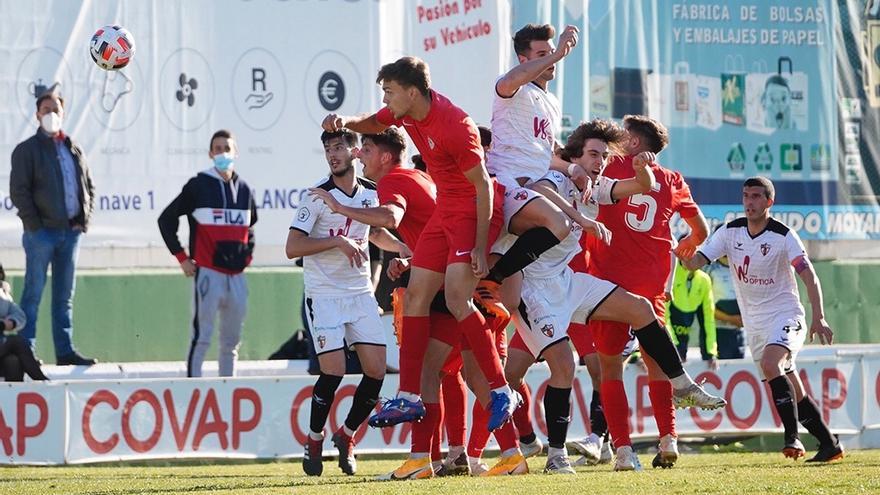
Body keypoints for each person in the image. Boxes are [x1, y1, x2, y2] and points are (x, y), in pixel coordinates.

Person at [321, 57, 518, 444]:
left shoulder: (457, 127)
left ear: (412, 92)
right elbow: (374, 122)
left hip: (471, 212)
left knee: (459, 301)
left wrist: (480, 245)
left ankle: (500, 390)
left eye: (389, 92)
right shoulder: (406, 112)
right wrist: (345, 120)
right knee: (415, 294)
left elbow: (482, 189)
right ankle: (409, 396)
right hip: (446, 210)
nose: (386, 99)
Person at [583, 114, 721, 471]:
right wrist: (688, 244)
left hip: (608, 281)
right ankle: (668, 439)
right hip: (652, 284)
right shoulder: (672, 179)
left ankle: (624, 451)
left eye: (624, 134)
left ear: (632, 141)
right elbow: (700, 229)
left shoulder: (608, 168)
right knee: (656, 365)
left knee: (611, 369)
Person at [680, 176, 843, 463]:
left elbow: (808, 275)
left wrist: (819, 317)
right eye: (745, 196)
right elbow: (695, 263)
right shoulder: (730, 232)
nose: (749, 202)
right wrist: (683, 253)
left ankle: (792, 438)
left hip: (785, 314)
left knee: (771, 364)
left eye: (756, 197)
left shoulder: (783, 235)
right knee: (793, 386)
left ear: (769, 202)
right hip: (755, 325)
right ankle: (829, 443)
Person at [287, 129, 407, 477]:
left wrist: (399, 247)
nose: (332, 154)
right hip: (324, 296)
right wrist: (336, 243)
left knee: (376, 370)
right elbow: (293, 247)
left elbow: (374, 232)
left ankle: (347, 436)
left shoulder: (371, 193)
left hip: (359, 294)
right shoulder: (316, 197)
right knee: (334, 370)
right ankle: (313, 438)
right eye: (327, 149)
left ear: (355, 152)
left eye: (339, 147)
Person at [158, 130, 257, 378]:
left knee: (231, 344)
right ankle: (193, 391)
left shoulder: (244, 189)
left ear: (236, 152)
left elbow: (250, 227)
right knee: (201, 338)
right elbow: (166, 220)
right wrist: (182, 258)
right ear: (211, 153)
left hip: (237, 278)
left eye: (227, 148)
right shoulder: (198, 184)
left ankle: (227, 394)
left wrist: (247, 257)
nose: (223, 152)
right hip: (208, 274)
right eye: (218, 148)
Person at [10, 89, 97, 366]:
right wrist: (34, 225)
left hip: (70, 234)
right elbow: (19, 191)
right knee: (33, 294)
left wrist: (84, 219)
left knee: (64, 296)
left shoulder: (73, 147)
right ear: (37, 114)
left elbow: (88, 186)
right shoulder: (27, 150)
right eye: (45, 110)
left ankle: (65, 351)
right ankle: (27, 351)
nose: (51, 114)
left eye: (55, 109)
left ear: (63, 113)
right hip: (42, 234)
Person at [666, 257, 719, 369]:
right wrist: (673, 346)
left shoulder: (704, 280)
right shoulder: (670, 275)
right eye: (688, 253)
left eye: (697, 255)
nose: (693, 259)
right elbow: (663, 317)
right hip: (666, 343)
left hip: (682, 346)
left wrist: (710, 353)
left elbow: (708, 319)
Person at [1, 268, 49, 382]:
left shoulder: (3, 294)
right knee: (16, 340)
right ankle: (42, 381)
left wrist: (12, 322)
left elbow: (20, 316)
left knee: (13, 362)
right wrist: (3, 324)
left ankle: (11, 397)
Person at [705, 251, 746, 359]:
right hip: (719, 332)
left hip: (740, 332)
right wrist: (729, 318)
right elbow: (705, 306)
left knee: (738, 371)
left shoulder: (743, 267)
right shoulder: (709, 270)